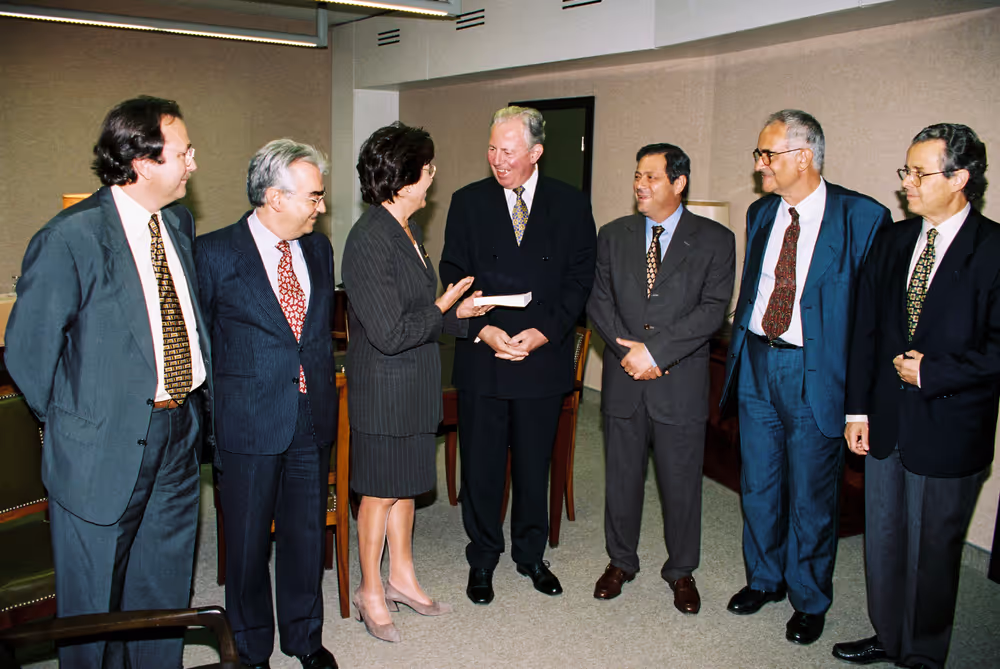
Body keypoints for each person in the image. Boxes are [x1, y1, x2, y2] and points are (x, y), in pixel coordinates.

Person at [4, 96, 210, 668]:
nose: (193, 163)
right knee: (92, 608)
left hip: (178, 432)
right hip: (100, 447)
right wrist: (79, 424)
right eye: (183, 153)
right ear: (142, 163)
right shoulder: (70, 238)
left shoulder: (177, 222)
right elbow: (29, 355)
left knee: (162, 589)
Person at [720, 109, 891, 645]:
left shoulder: (863, 217)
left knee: (813, 495)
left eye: (767, 155)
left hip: (815, 371)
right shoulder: (761, 213)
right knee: (759, 482)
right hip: (756, 360)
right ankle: (764, 579)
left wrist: (860, 400)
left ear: (803, 156)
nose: (759, 165)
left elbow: (872, 319)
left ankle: (810, 597)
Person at [833, 124, 997, 669]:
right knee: (883, 540)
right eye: (906, 170)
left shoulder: (994, 250)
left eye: (919, 173)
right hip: (885, 421)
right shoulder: (894, 239)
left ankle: (923, 654)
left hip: (950, 428)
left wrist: (934, 372)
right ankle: (888, 634)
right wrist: (857, 410)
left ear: (960, 179)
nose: (906, 182)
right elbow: (866, 330)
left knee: (933, 551)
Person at [440, 105, 597, 604]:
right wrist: (482, 328)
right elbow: (453, 273)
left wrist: (544, 332)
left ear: (536, 152)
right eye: (492, 148)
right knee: (481, 466)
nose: (497, 159)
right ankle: (483, 557)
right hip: (483, 353)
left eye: (508, 151)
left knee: (533, 465)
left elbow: (580, 279)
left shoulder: (570, 204)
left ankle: (531, 555)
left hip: (540, 355)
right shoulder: (468, 202)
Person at [342, 122, 488, 642]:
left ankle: (401, 578)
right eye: (427, 169)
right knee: (380, 493)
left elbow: (416, 313)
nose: (433, 176)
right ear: (403, 179)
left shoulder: (407, 229)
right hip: (384, 388)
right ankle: (369, 590)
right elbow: (389, 333)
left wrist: (458, 313)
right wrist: (442, 306)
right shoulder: (369, 239)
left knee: (404, 488)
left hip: (414, 382)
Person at [196, 140, 338, 669]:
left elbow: (315, 335)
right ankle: (251, 649)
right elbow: (200, 344)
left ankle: (305, 638)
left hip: (310, 415)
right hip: (248, 422)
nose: (322, 206)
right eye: (314, 196)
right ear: (276, 197)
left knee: (307, 537)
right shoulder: (213, 253)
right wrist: (211, 423)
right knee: (248, 545)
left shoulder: (318, 249)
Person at [587, 143, 735, 612]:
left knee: (681, 484)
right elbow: (598, 301)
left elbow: (712, 311)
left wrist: (655, 353)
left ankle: (681, 570)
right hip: (624, 379)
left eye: (651, 177)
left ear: (678, 182)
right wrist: (628, 353)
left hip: (679, 382)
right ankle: (620, 562)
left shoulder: (715, 239)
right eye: (637, 175)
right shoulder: (614, 234)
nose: (640, 185)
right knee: (621, 479)